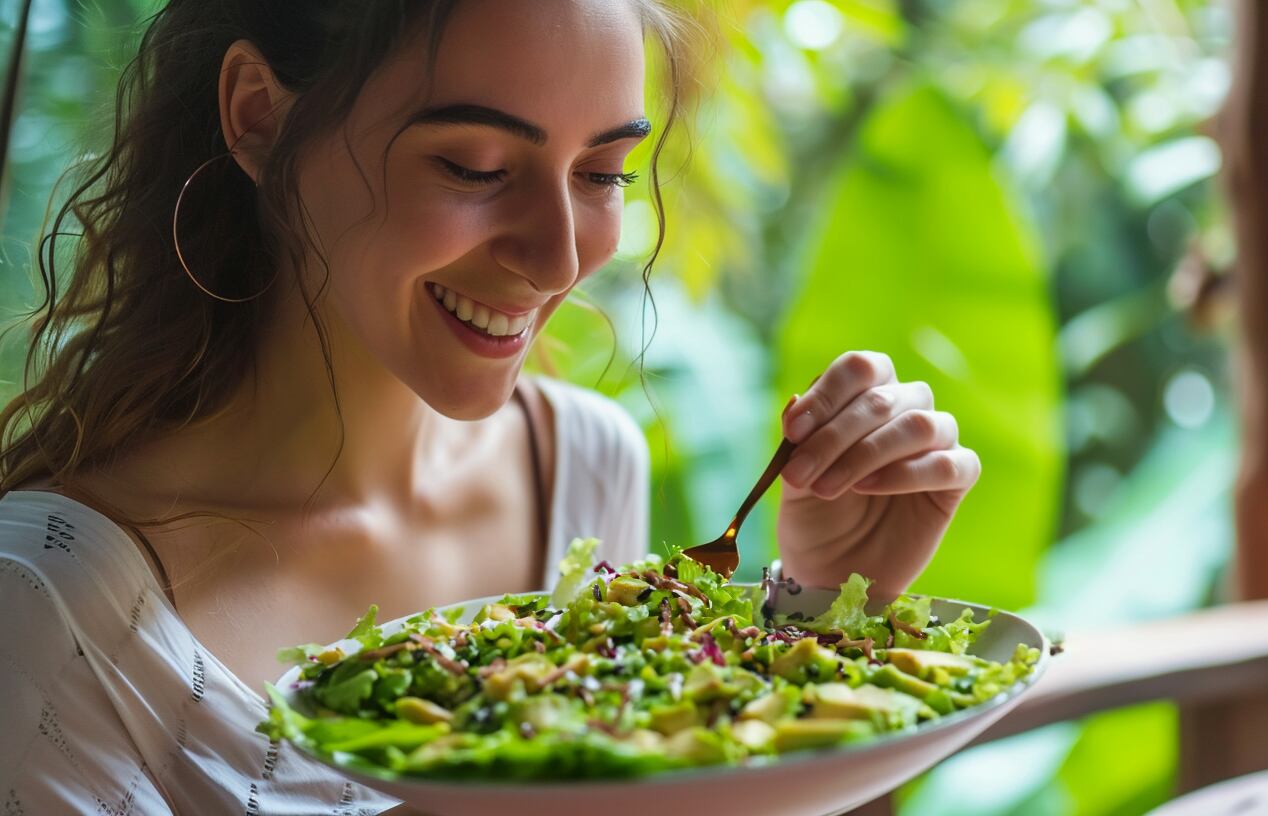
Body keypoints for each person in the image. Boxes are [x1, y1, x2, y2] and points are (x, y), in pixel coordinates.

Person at [0, 0, 982, 812]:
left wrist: (821, 625)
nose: (559, 259)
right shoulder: (51, 614)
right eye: (472, 167)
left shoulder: (581, 463)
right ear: (259, 115)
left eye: (601, 174)